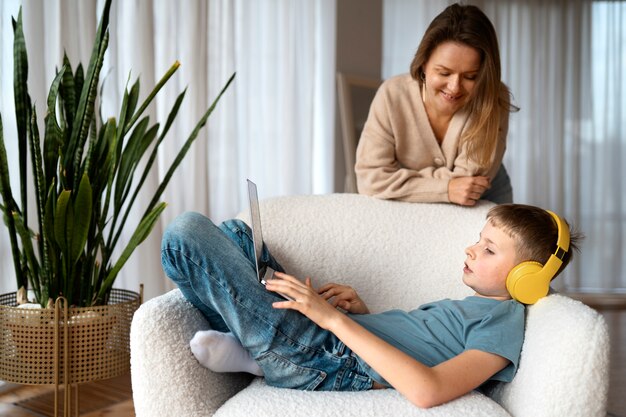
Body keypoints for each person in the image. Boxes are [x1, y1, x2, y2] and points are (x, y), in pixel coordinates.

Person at [161, 204, 581, 408]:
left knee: (185, 234)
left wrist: (330, 321)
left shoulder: (502, 325)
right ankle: (254, 348)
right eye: (478, 239)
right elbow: (409, 343)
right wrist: (359, 313)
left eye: (489, 249)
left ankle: (262, 354)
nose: (471, 249)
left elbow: (426, 389)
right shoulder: (473, 306)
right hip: (333, 337)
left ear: (526, 277)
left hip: (329, 358)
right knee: (236, 232)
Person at [355, 3, 518, 206]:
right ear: (424, 64)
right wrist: (447, 189)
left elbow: (468, 185)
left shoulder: (493, 97)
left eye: (470, 76)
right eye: (444, 73)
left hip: (486, 198)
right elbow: (370, 180)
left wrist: (400, 180)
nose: (454, 87)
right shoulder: (393, 95)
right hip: (415, 203)